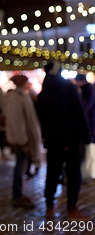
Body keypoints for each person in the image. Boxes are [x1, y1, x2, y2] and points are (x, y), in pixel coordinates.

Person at [36, 62, 91, 220]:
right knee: (73, 175)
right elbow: (80, 112)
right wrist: (86, 135)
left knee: (52, 173)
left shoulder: (44, 92)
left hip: (53, 140)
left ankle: (49, 207)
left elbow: (41, 118)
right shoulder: (68, 87)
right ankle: (72, 208)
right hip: (71, 138)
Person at [3, 75, 42, 208]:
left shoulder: (22, 96)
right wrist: (21, 139)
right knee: (20, 168)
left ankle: (19, 195)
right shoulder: (15, 97)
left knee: (22, 167)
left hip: (25, 139)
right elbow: (16, 121)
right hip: (22, 140)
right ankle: (17, 196)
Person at [75, 73, 95, 144]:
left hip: (89, 122)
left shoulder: (87, 90)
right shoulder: (90, 89)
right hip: (90, 121)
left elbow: (86, 107)